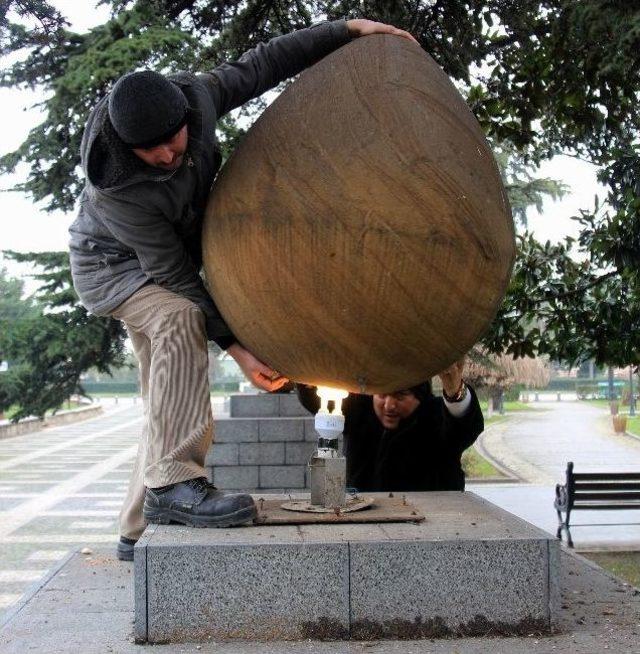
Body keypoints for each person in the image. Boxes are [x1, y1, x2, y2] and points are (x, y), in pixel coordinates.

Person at [68, 18, 417, 561]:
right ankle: (174, 485)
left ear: (185, 116)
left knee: (167, 406)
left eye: (173, 140)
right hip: (112, 268)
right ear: (124, 145)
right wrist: (236, 346)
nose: (167, 155)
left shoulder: (199, 97)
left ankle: (134, 531)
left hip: (166, 262)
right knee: (180, 315)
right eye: (151, 151)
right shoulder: (115, 191)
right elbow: (175, 276)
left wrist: (346, 30)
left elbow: (265, 62)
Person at [297, 360, 484, 492]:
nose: (389, 405)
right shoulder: (360, 411)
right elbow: (315, 397)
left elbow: (464, 427)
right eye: (382, 395)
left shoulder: (436, 416)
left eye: (400, 395)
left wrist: (454, 392)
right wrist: (305, 373)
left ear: (420, 395)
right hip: (365, 524)